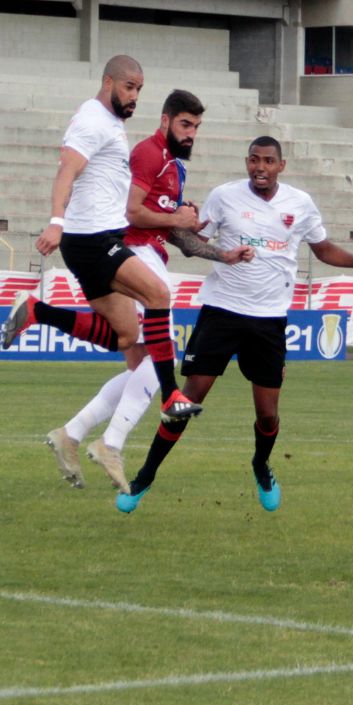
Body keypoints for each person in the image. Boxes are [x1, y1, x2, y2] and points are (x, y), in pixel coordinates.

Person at [119, 136, 353, 514]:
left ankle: (261, 465)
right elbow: (190, 239)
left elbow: (323, 248)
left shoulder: (300, 203)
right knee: (188, 397)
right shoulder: (224, 196)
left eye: (267, 161)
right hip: (221, 311)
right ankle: (143, 477)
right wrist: (180, 224)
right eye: (253, 160)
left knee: (267, 413)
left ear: (281, 166)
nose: (259, 167)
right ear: (246, 162)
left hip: (269, 320)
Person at [44, 89, 254, 491]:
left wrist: (221, 254)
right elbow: (132, 210)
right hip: (133, 254)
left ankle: (72, 434)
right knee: (153, 364)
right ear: (165, 121)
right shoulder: (148, 153)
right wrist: (174, 217)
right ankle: (110, 442)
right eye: (185, 124)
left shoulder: (174, 166)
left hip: (148, 254)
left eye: (196, 127)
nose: (191, 133)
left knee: (141, 364)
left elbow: (173, 231)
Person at [2, 55, 198, 423]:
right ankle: (171, 395)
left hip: (93, 239)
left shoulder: (108, 121)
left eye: (139, 89)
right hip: (91, 238)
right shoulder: (93, 119)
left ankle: (35, 311)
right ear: (108, 83)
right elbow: (66, 171)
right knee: (158, 295)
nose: (134, 95)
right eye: (129, 87)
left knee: (124, 336)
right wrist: (55, 222)